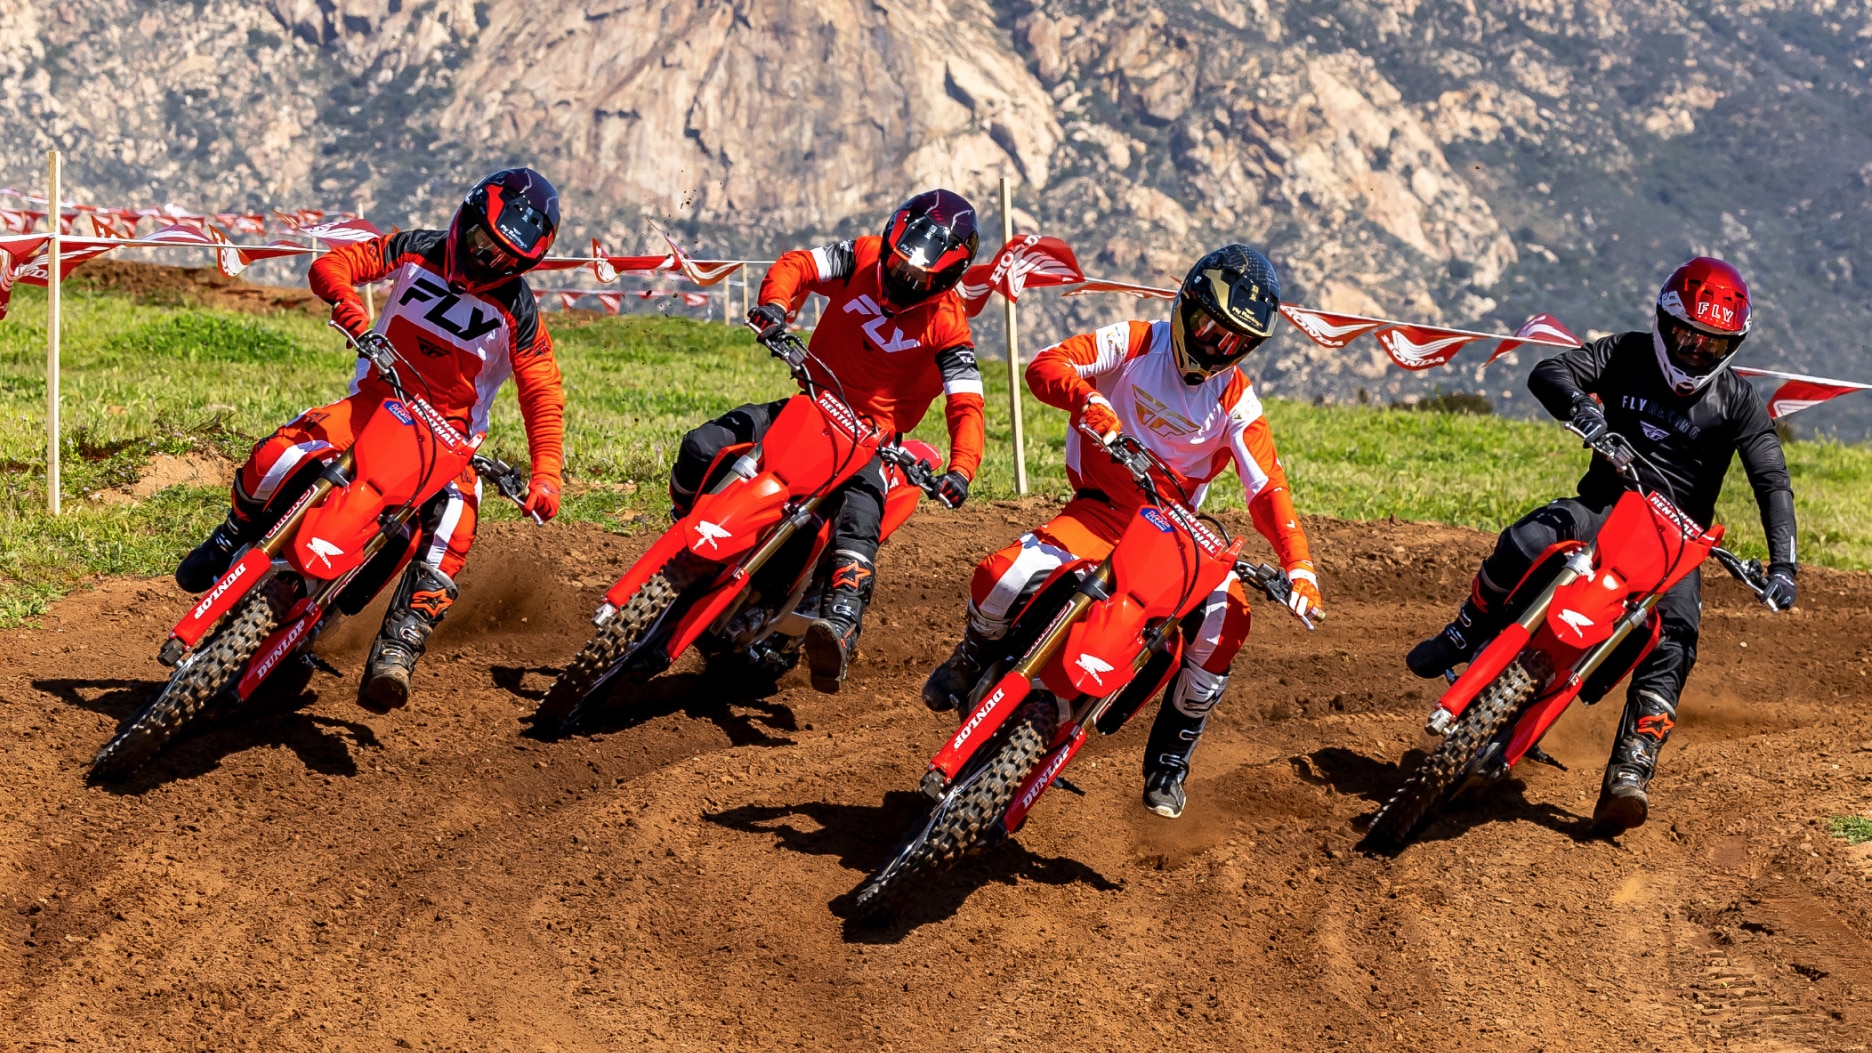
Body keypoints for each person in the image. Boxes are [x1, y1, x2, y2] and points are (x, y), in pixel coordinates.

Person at [922, 244, 1322, 820]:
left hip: (1175, 532)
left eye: (1236, 341)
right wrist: (1090, 404)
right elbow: (1046, 365)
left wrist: (1299, 565)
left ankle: (1169, 761)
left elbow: (1267, 488)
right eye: (1212, 327)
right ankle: (970, 655)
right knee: (1000, 575)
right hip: (1102, 508)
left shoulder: (1236, 396)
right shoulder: (1136, 341)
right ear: (1187, 303)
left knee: (1228, 620)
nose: (1217, 346)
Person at [1405, 256, 1798, 833]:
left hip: (1674, 545)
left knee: (1678, 635)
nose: (1694, 352)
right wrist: (1585, 412)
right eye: (1687, 335)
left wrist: (1784, 563)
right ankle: (1466, 628)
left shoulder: (1737, 400)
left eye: (1711, 344)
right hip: (1604, 506)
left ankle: (1630, 770)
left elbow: (1772, 478)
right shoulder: (1626, 353)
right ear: (1665, 324)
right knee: (1528, 536)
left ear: (1731, 346)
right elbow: (1549, 371)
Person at [175, 168, 567, 708]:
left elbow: (542, 391)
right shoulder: (413, 248)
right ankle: (231, 535)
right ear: (467, 218)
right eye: (483, 244)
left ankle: (399, 644)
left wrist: (547, 472)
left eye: (507, 260)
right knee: (280, 451)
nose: (487, 261)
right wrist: (347, 301)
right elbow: (333, 262)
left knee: (456, 517)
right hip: (376, 401)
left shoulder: (519, 312)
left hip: (447, 439)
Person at [671, 189, 986, 693]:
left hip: (871, 441)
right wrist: (774, 306)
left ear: (947, 278)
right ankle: (682, 538)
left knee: (857, 526)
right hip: (810, 404)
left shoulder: (950, 327)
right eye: (900, 265)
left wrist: (961, 468)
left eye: (918, 278)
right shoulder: (859, 256)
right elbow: (798, 264)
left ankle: (838, 626)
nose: (903, 281)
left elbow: (966, 404)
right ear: (888, 243)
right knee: (701, 447)